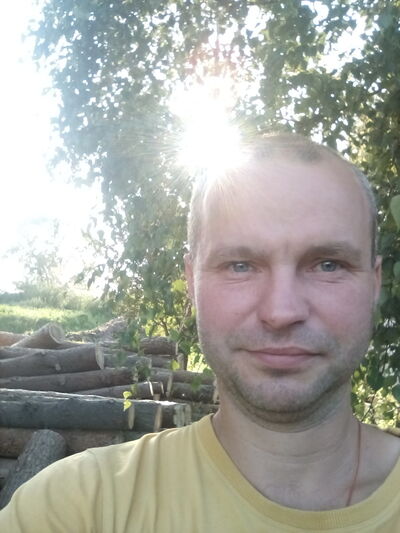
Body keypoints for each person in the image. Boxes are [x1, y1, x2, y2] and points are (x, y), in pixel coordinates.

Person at [0, 133, 399, 532]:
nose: (281, 312)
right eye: (240, 265)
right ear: (192, 283)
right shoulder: (75, 508)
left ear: (375, 282)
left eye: (328, 264)